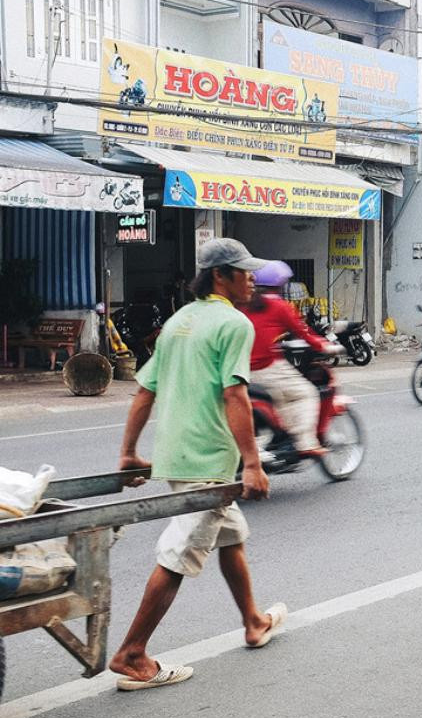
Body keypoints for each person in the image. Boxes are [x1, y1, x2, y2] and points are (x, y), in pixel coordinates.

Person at [109, 239, 286, 692]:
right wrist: (252, 463)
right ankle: (132, 653)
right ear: (220, 277)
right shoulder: (233, 323)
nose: (251, 279)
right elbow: (235, 393)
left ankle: (253, 620)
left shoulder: (177, 322)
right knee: (178, 555)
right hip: (208, 461)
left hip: (177, 456)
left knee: (231, 537)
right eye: (244, 272)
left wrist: (129, 452)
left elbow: (145, 390)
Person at [240, 261, 339, 456]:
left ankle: (282, 437)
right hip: (267, 368)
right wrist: (328, 347)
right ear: (279, 284)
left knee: (282, 399)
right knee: (307, 393)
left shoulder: (245, 304)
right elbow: (304, 332)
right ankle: (306, 443)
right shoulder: (278, 305)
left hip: (242, 370)